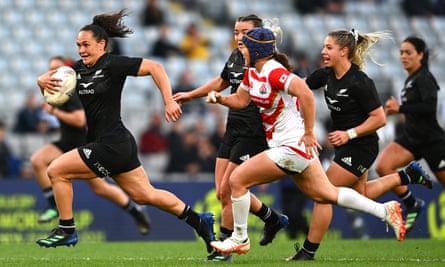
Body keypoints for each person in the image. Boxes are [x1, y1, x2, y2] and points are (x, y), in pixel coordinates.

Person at [207, 27, 430, 256]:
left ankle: (241, 238)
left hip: (298, 146)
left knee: (236, 180)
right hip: (295, 146)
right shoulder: (252, 72)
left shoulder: (275, 71)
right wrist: (221, 99)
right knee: (326, 194)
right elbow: (242, 100)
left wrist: (310, 132)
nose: (239, 48)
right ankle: (384, 211)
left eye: (244, 45)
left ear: (256, 50)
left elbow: (303, 92)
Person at [34, 10, 214, 254]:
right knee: (144, 195)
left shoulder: (112, 64)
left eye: (86, 45)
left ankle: (66, 229)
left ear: (102, 44)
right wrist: (40, 80)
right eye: (78, 45)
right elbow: (51, 77)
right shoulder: (78, 69)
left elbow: (156, 67)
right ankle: (200, 221)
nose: (81, 50)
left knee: (56, 170)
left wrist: (169, 100)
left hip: (111, 144)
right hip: (114, 143)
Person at [286, 29, 432, 261]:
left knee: (324, 194)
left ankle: (308, 251)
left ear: (344, 51)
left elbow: (379, 118)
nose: (323, 51)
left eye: (329, 47)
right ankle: (405, 177)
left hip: (361, 145)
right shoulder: (325, 75)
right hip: (346, 145)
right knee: (360, 194)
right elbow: (299, 87)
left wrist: (349, 134)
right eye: (324, 47)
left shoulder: (360, 81)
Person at [173, 14, 289, 262]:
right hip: (232, 128)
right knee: (221, 193)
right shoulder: (237, 57)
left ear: (258, 34)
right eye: (236, 32)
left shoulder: (269, 63)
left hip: (254, 133)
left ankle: (224, 248)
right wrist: (190, 95)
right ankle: (272, 218)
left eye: (244, 32)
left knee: (228, 190)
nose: (238, 37)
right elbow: (221, 82)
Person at [30, 56, 152, 236]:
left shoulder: (73, 89)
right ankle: (53, 205)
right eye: (50, 69)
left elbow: (80, 120)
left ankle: (135, 211)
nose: (53, 73)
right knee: (37, 160)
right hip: (65, 143)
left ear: (66, 70)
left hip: (83, 144)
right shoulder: (58, 90)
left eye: (57, 68)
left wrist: (54, 111)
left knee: (100, 188)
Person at [375, 36, 445, 232]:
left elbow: (430, 107)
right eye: (401, 52)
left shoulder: (424, 78)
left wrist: (401, 108)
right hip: (412, 138)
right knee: (383, 166)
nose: (403, 56)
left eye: (408, 52)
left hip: (432, 141)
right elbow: (412, 112)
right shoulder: (409, 80)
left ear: (421, 55)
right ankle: (412, 203)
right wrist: (395, 111)